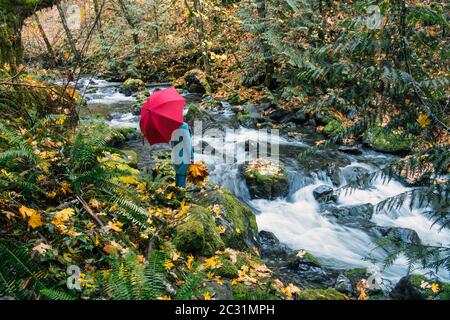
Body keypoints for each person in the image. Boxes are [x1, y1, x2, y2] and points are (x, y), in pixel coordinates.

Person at [170, 122, 194, 187]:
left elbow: (172, 143)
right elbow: (187, 143)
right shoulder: (184, 126)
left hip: (175, 155)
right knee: (182, 175)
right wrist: (191, 157)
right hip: (183, 155)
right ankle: (180, 194)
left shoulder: (171, 126)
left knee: (178, 173)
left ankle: (177, 190)